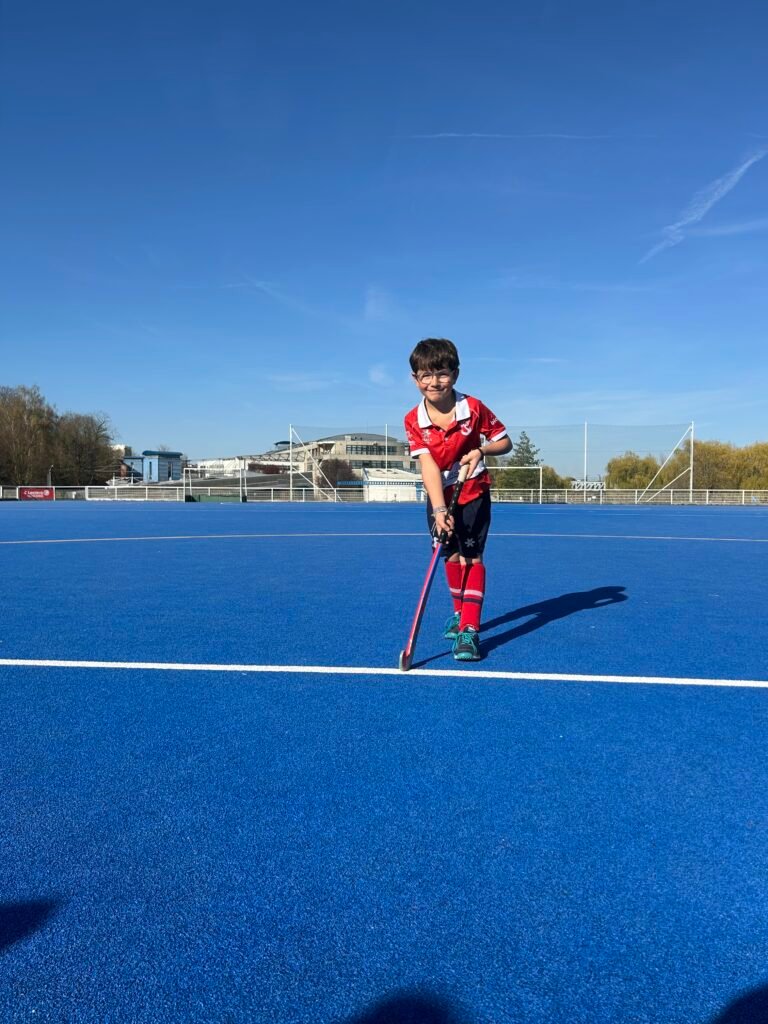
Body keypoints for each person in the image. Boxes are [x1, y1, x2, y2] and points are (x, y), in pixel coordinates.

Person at [404, 338, 512, 661]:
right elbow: (427, 465)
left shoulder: (474, 408)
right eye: (425, 375)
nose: (434, 382)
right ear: (415, 379)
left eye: (442, 373)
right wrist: (439, 509)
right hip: (441, 494)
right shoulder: (413, 420)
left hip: (473, 490)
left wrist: (481, 450)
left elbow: (504, 441)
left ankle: (470, 630)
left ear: (455, 374)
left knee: (472, 557)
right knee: (450, 556)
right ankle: (459, 612)